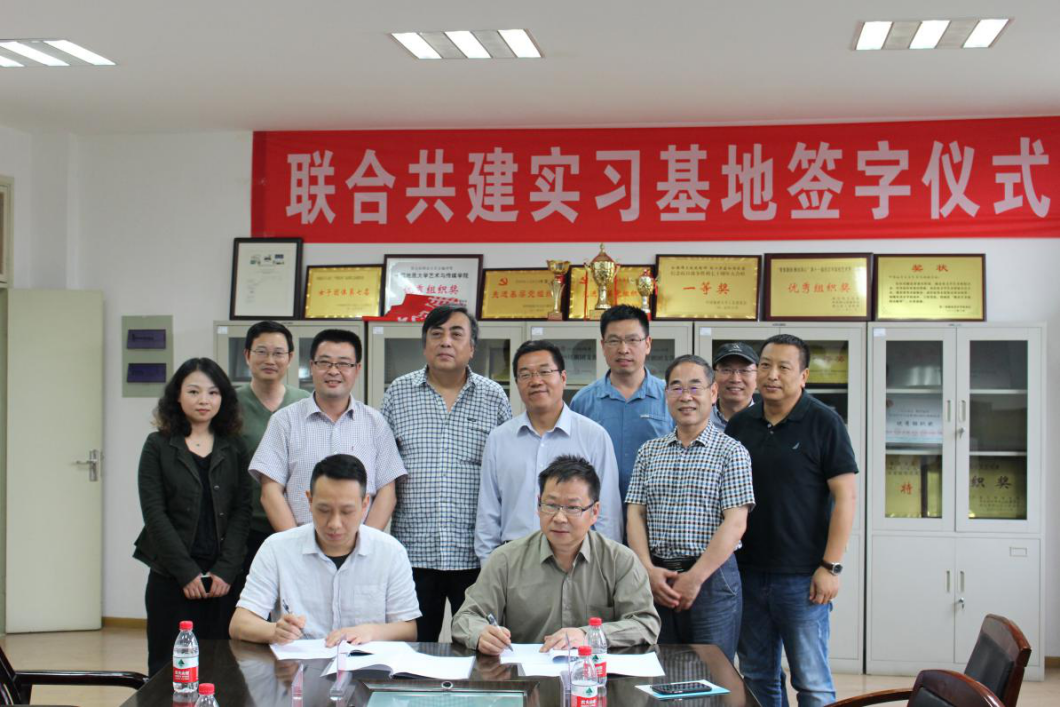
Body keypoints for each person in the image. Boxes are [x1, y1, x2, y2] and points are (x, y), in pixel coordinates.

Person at [726, 334, 858, 707]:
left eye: (784, 367)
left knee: (812, 682)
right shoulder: (741, 424)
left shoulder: (824, 422)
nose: (772, 375)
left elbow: (846, 498)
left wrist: (830, 567)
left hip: (803, 578)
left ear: (803, 375)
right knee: (758, 676)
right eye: (766, 365)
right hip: (747, 574)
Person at [382, 304, 512, 641]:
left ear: (472, 347)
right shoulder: (398, 393)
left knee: (480, 645)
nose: (445, 342)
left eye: (456, 334)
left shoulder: (493, 397)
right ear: (424, 345)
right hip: (413, 551)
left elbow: (505, 474)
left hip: (475, 554)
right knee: (413, 645)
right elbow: (383, 470)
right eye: (436, 334)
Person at [453, 456, 659, 653]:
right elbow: (465, 618)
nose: (560, 518)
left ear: (594, 512)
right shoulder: (505, 559)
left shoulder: (619, 560)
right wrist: (481, 633)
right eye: (551, 505)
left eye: (573, 508)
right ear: (538, 505)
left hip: (595, 673)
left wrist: (588, 635)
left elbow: (645, 623)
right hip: (525, 674)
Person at [625, 354, 754, 661]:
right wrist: (647, 570)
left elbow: (736, 522)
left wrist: (695, 578)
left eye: (695, 387)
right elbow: (635, 513)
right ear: (666, 394)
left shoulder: (732, 452)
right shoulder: (649, 452)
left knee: (712, 672)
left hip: (713, 581)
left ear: (713, 393)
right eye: (676, 388)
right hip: (658, 578)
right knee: (659, 669)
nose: (686, 397)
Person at [133, 358, 252, 675]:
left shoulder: (235, 446)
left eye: (213, 392)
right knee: (169, 670)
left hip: (222, 580)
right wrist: (185, 572)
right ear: (177, 395)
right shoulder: (157, 445)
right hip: (171, 577)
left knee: (224, 670)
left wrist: (226, 569)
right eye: (194, 391)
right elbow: (154, 513)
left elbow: (242, 510)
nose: (204, 400)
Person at [230, 454, 420, 645]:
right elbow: (239, 624)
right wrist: (274, 631)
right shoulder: (277, 549)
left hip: (365, 662)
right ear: (310, 501)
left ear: (364, 505)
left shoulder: (390, 552)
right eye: (324, 510)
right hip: (297, 662)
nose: (335, 523)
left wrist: (370, 631)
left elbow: (408, 629)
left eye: (346, 511)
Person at [475, 340, 622, 563]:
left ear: (563, 378)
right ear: (517, 383)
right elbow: (488, 513)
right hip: (514, 562)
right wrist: (490, 567)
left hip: (578, 562)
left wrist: (602, 568)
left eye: (544, 371)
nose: (536, 381)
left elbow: (607, 514)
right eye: (525, 375)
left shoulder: (594, 436)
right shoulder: (499, 439)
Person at [251, 329, 405, 531]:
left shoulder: (375, 423)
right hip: (300, 540)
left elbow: (387, 491)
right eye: (324, 363)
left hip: (360, 542)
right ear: (312, 366)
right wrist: (295, 543)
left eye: (343, 364)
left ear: (357, 369)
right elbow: (270, 491)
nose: (333, 371)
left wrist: (365, 544)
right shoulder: (284, 421)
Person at [570, 304, 672, 499]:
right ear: (603, 346)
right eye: (614, 341)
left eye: (632, 340)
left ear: (648, 344)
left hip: (656, 508)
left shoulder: (670, 397)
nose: (623, 349)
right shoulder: (583, 402)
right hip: (599, 509)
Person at [235, 321, 310, 575]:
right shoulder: (229, 405)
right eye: (261, 351)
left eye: (278, 353)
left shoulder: (305, 402)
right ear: (247, 355)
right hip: (245, 526)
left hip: (298, 525)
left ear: (290, 358)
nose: (270, 360)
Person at [710, 342, 759, 432]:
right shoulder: (698, 421)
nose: (735, 379)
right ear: (713, 376)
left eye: (744, 370)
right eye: (726, 370)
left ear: (758, 377)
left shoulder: (769, 423)